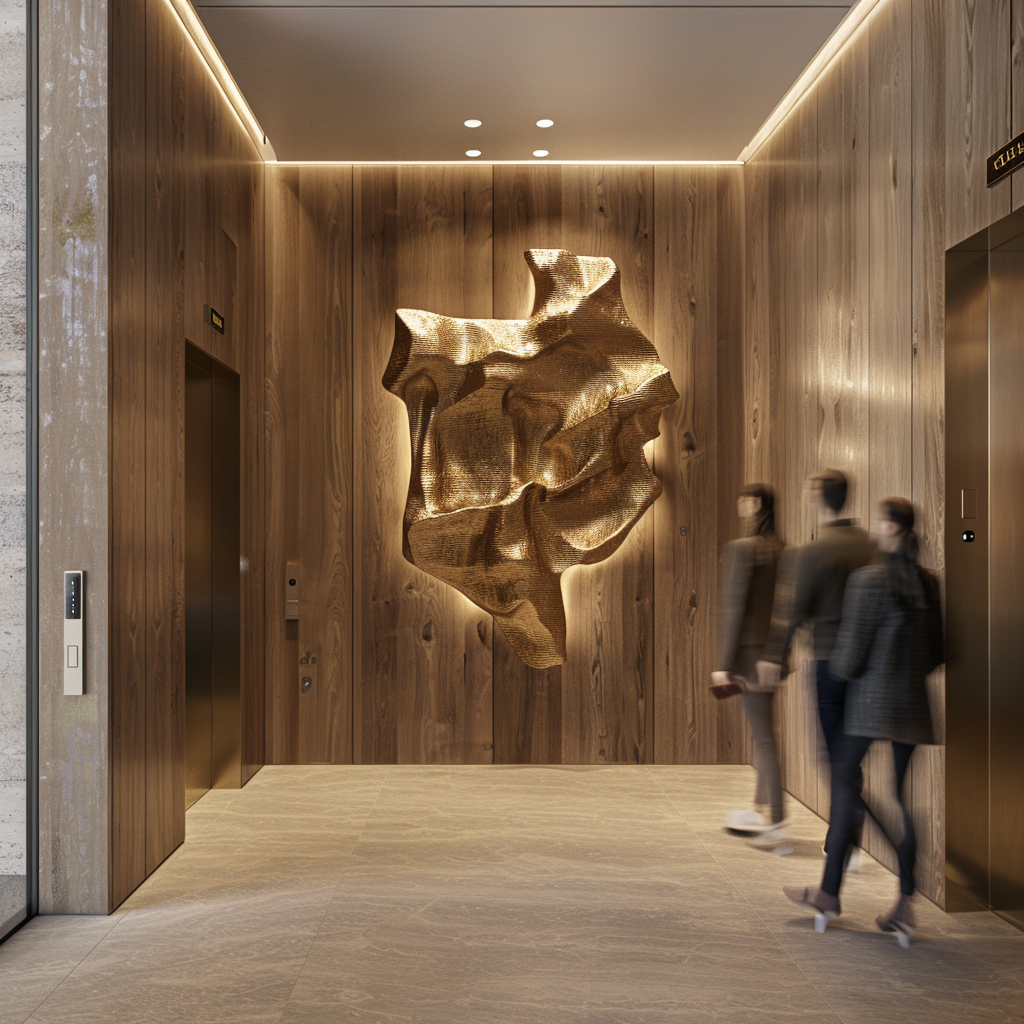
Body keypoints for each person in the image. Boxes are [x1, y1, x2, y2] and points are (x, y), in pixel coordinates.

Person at [784, 497, 944, 946]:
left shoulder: (869, 581)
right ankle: (905, 902)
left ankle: (831, 893)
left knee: (845, 785)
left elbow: (850, 658)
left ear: (891, 529)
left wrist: (842, 676)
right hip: (913, 706)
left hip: (868, 705)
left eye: (879, 523)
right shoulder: (928, 583)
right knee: (901, 799)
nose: (873, 530)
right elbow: (939, 654)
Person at [757, 470, 875, 858]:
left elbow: (790, 610)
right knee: (851, 752)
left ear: (819, 498)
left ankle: (842, 839)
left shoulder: (813, 551)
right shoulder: (871, 546)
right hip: (869, 664)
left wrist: (775, 655)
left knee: (834, 752)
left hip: (828, 662)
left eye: (810, 490)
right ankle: (847, 835)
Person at [711, 484, 787, 837]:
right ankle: (761, 809)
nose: (740, 503)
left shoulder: (741, 549)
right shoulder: (782, 549)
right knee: (764, 735)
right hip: (772, 654)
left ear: (756, 505)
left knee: (764, 737)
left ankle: (775, 814)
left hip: (748, 655)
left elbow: (734, 608)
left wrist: (724, 662)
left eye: (745, 499)